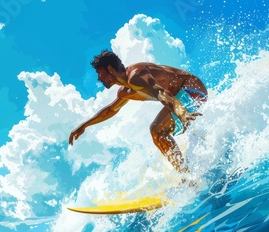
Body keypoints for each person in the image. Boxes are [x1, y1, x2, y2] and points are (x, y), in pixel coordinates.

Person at [69, 50, 207, 173]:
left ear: (110, 68)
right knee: (158, 131)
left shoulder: (136, 75)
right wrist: (84, 125)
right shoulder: (125, 91)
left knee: (157, 130)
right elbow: (111, 110)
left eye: (99, 73)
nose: (99, 78)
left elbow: (160, 92)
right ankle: (190, 170)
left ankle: (186, 176)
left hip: (192, 89)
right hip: (181, 97)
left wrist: (182, 113)